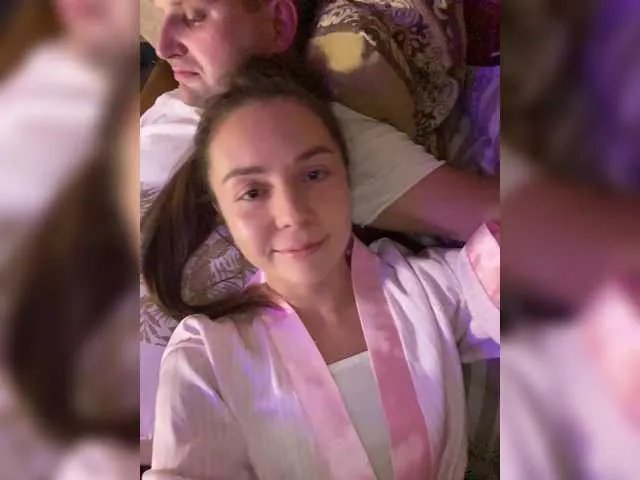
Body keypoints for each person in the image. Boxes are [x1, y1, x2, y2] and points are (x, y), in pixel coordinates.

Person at [142, 57, 500, 480]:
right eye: (253, 192)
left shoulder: (431, 290)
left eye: (314, 174)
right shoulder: (205, 359)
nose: (292, 213)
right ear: (221, 211)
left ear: (347, 178)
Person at [141, 0, 498, 242]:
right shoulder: (170, 104)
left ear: (279, 23)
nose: (163, 46)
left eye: (195, 16)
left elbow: (509, 224)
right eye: (163, 11)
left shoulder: (306, 139)